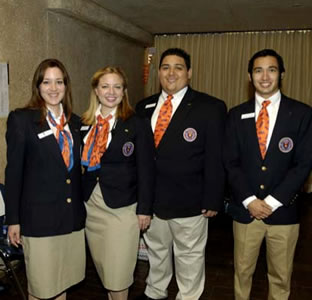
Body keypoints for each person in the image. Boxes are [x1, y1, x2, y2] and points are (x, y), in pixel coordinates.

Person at [136, 48, 227, 300]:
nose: (171, 72)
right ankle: (155, 291)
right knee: (157, 251)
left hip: (190, 201)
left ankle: (188, 296)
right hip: (153, 201)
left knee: (189, 256)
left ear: (189, 72)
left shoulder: (210, 107)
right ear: (159, 72)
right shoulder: (144, 106)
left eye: (178, 67)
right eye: (165, 67)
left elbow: (216, 157)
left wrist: (212, 198)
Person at [224, 49, 312, 300]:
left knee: (281, 276)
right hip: (245, 211)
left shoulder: (302, 114)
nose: (265, 76)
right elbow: (230, 162)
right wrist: (250, 200)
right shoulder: (235, 114)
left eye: (271, 70)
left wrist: (272, 202)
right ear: (249, 76)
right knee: (242, 272)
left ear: (281, 74)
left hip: (283, 213)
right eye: (258, 70)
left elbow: (303, 164)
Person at [5, 59, 86, 300]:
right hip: (39, 220)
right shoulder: (22, 120)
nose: (53, 88)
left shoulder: (76, 122)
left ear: (66, 85)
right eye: (46, 82)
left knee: (62, 283)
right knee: (41, 288)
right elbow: (13, 174)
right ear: (38, 86)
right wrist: (13, 220)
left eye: (59, 82)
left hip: (70, 219)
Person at [81, 66, 154, 300]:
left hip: (123, 208)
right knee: (104, 270)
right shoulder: (83, 123)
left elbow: (146, 169)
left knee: (119, 272)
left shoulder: (137, 123)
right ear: (96, 90)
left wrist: (145, 209)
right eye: (105, 86)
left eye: (117, 87)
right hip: (92, 206)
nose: (111, 92)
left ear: (124, 92)